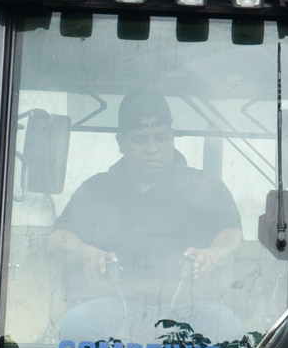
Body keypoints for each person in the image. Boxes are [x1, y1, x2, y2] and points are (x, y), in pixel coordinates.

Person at [48, 90, 240, 285]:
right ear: (121, 143)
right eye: (140, 140)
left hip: (191, 298)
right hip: (108, 297)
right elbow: (58, 239)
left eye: (161, 138)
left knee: (216, 310)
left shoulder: (205, 186)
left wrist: (214, 253)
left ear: (172, 138)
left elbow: (231, 233)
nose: (152, 149)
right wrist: (87, 253)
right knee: (88, 309)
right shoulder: (95, 190)